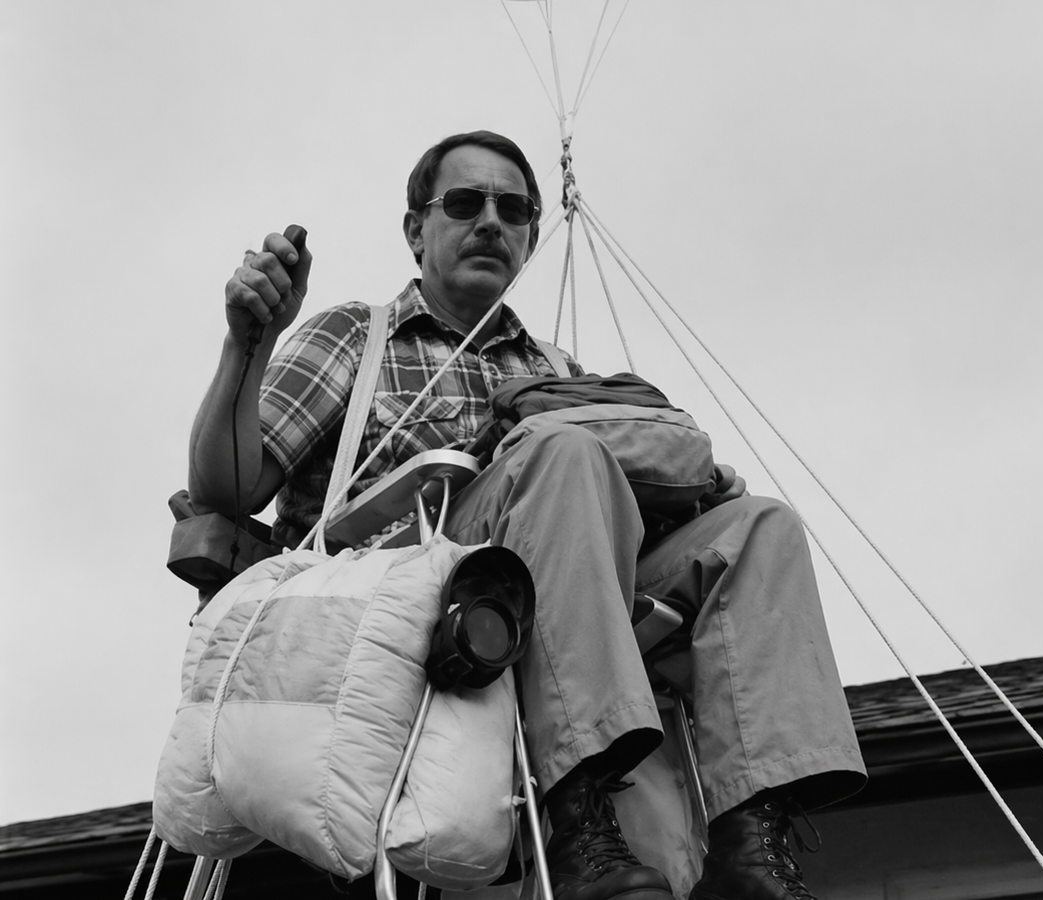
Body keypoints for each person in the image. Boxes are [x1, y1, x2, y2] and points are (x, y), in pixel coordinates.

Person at [188, 130, 866, 900]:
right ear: (417, 230)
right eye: (465, 203)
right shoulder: (357, 337)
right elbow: (227, 488)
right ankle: (577, 820)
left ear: (531, 236)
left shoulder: (557, 370)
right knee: (565, 454)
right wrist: (248, 346)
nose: (490, 221)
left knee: (761, 527)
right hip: (406, 582)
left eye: (513, 209)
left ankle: (752, 841)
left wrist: (700, 491)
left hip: (558, 576)